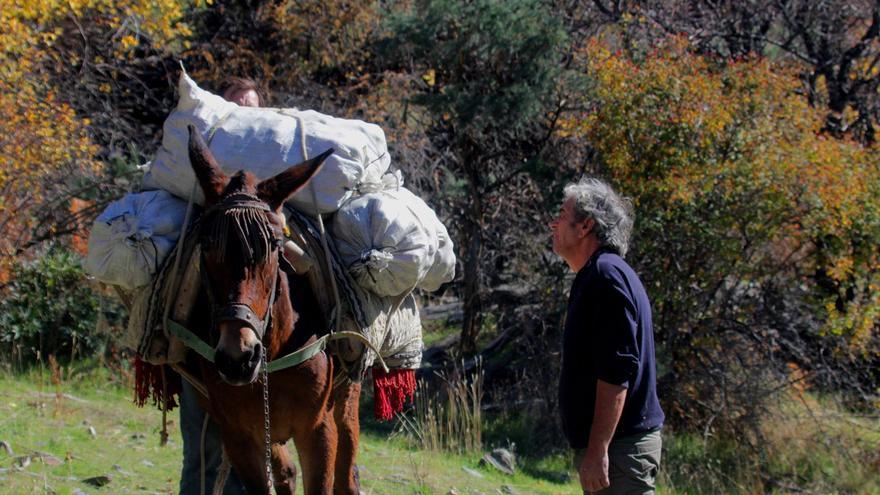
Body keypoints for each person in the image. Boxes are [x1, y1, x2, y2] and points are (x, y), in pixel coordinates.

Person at [550, 177, 665, 494]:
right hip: (617, 450)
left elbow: (616, 371)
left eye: (561, 214)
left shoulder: (605, 276)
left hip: (620, 450)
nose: (553, 223)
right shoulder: (599, 274)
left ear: (585, 226)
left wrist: (598, 449)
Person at [178, 76, 264, 495]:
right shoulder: (206, 196)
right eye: (235, 106)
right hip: (206, 343)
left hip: (253, 343)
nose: (243, 113)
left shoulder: (269, 174)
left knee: (250, 456)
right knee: (202, 450)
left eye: (251, 106)